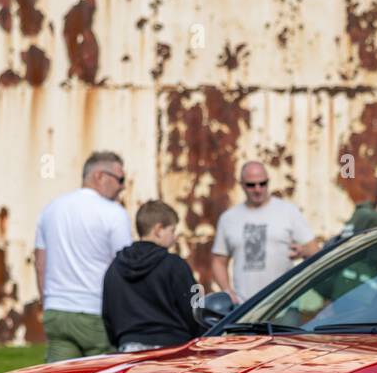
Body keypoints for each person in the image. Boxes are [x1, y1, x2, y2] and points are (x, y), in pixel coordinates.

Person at [34, 151, 133, 361]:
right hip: (94, 310)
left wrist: (47, 300)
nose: (123, 186)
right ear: (99, 176)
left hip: (56, 312)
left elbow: (40, 262)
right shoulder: (114, 213)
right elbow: (125, 267)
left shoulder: (51, 209)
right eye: (120, 179)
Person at [210, 161, 319, 302]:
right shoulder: (229, 218)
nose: (258, 189)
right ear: (241, 184)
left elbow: (315, 251)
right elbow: (218, 260)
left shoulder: (288, 211)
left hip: (284, 304)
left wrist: (303, 252)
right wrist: (227, 291)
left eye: (263, 183)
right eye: (251, 185)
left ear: (268, 182)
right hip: (244, 308)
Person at [102, 200, 202, 352]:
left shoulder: (115, 267)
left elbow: (108, 313)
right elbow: (195, 310)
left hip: (128, 350)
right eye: (172, 230)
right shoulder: (175, 265)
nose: (174, 237)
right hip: (173, 349)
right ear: (159, 229)